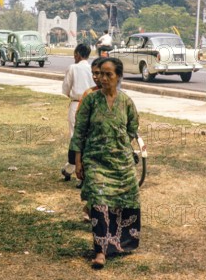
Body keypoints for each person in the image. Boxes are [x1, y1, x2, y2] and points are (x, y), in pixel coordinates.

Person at [70, 58, 142, 269]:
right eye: (100, 74)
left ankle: (120, 243)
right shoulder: (91, 101)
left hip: (121, 164)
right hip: (95, 162)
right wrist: (78, 161)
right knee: (99, 201)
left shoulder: (127, 102)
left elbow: (132, 128)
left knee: (128, 198)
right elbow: (80, 132)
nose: (102, 78)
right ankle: (100, 251)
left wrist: (119, 145)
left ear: (118, 76)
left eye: (108, 74)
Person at [60, 44, 95, 182]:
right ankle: (76, 168)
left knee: (76, 137)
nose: (74, 57)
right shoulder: (93, 68)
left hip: (77, 104)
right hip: (92, 104)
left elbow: (66, 88)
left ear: (79, 54)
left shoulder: (73, 68)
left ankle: (75, 169)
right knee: (89, 136)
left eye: (75, 54)